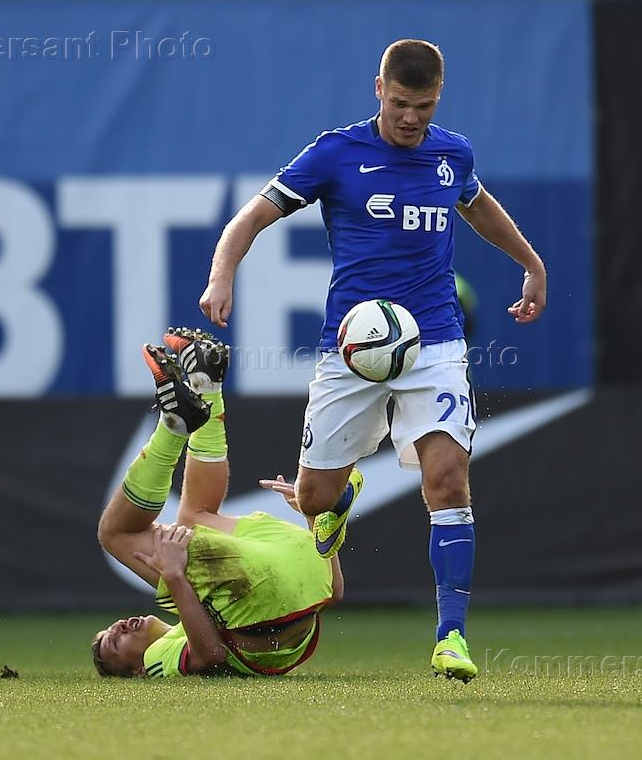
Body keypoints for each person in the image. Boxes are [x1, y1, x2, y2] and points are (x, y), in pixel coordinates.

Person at [199, 39, 547, 682]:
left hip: (433, 342)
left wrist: (530, 262)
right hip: (353, 348)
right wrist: (222, 277)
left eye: (424, 105)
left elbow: (477, 205)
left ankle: (451, 636)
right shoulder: (336, 153)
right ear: (379, 89)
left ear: (438, 98)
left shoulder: (453, 154)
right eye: (400, 103)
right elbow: (250, 217)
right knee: (312, 495)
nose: (411, 118)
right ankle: (335, 500)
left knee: (448, 482)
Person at [93, 332, 347, 678]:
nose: (120, 626)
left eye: (112, 627)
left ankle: (206, 386)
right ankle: (178, 421)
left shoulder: (193, 619)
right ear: (137, 670)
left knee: (193, 518)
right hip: (271, 589)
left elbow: (334, 592)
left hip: (303, 575)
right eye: (114, 643)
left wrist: (316, 518)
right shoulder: (155, 661)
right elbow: (211, 656)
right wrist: (174, 575)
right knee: (114, 534)